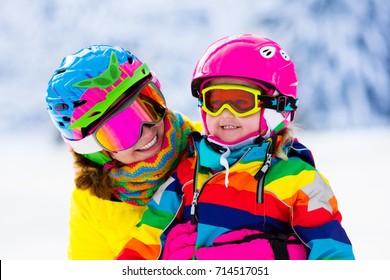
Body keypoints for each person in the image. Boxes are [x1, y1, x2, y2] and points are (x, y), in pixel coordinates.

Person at [115, 34, 355, 260]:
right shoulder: (188, 174)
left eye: (241, 102)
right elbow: (146, 239)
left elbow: (331, 252)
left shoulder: (299, 182)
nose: (225, 114)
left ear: (276, 107)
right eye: (215, 101)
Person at [46, 44, 201, 259]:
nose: (146, 131)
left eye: (148, 105)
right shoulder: (95, 203)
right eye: (121, 131)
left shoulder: (215, 151)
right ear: (96, 151)